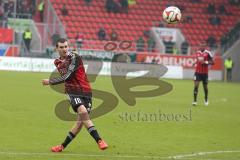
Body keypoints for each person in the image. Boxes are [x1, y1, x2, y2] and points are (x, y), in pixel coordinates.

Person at [42, 38, 108, 152]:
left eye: (66, 47)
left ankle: (62, 146)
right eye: (61, 47)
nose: (64, 49)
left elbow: (68, 75)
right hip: (72, 91)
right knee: (83, 112)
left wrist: (50, 82)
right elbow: (67, 77)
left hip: (86, 90)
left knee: (80, 123)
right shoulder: (57, 62)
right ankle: (99, 140)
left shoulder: (74, 57)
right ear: (57, 48)